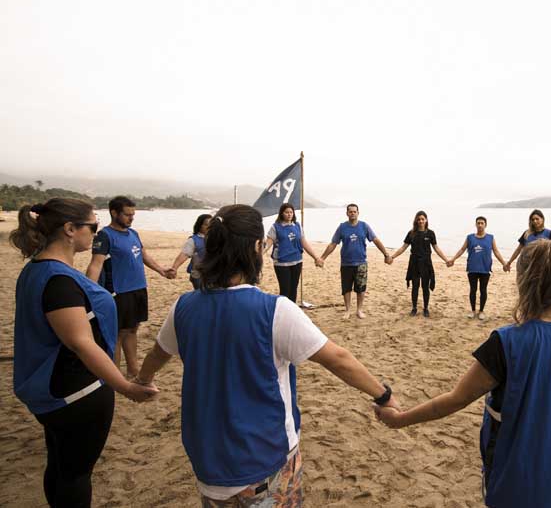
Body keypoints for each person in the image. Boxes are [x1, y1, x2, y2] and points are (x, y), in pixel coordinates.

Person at [135, 204, 399, 507]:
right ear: (258, 247)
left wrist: (142, 381)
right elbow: (337, 358)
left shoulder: (183, 307)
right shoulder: (274, 310)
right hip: (264, 460)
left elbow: (157, 354)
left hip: (207, 463)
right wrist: (383, 395)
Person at [375, 241, 551, 507]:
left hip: (518, 481)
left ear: (522, 279)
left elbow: (455, 399)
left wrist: (400, 419)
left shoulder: (506, 342)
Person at [11, 199, 157, 508]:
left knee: (62, 466)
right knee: (75, 475)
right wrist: (126, 387)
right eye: (93, 226)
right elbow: (81, 343)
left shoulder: (36, 269)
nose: (96, 232)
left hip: (52, 391)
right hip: (75, 393)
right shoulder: (59, 282)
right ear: (69, 229)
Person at [86, 196, 175, 378]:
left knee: (133, 329)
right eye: (127, 215)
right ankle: (114, 374)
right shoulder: (105, 236)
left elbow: (143, 256)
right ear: (114, 213)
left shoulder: (133, 233)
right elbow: (95, 265)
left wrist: (161, 270)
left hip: (138, 289)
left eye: (133, 214)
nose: (131, 218)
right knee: (118, 333)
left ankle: (133, 370)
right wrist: (88, 292)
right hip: (118, 291)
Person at [320, 203, 391, 320]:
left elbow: (375, 240)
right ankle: (347, 310)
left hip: (361, 263)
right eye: (350, 211)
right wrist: (322, 258)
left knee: (361, 288)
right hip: (346, 263)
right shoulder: (342, 227)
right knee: (346, 288)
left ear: (358, 213)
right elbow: (333, 244)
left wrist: (386, 254)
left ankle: (359, 310)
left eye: (354, 211)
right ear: (347, 213)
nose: (352, 213)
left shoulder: (364, 226)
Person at [388, 211, 450, 317]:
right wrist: (392, 257)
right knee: (415, 286)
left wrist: (446, 260)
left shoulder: (430, 233)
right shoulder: (412, 233)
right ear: (416, 220)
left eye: (423, 219)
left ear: (426, 220)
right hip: (414, 263)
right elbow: (403, 247)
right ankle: (414, 308)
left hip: (426, 263)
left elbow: (436, 248)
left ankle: (426, 308)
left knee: (425, 287)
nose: (421, 221)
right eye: (419, 219)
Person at [448, 216, 509, 320]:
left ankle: (481, 311)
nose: (480, 225)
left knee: (483, 290)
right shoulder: (470, 237)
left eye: (482, 223)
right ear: (476, 225)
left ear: (485, 225)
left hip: (485, 268)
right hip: (472, 268)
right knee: (473, 290)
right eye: (478, 223)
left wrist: (504, 263)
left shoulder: (490, 238)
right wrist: (453, 259)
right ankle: (472, 310)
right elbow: (462, 249)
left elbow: (496, 251)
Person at [263, 203, 324, 303]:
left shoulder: (297, 226)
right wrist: (259, 254)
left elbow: (304, 243)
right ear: (282, 213)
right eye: (286, 212)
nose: (289, 214)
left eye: (291, 212)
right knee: (285, 290)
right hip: (282, 263)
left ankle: (292, 310)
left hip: (297, 261)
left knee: (293, 289)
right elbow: (268, 244)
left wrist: (316, 257)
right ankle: (283, 311)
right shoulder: (276, 227)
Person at [169, 213, 212, 290]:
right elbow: (184, 254)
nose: (209, 227)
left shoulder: (216, 239)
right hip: (199, 276)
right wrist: (174, 268)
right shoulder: (193, 240)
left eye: (212, 225)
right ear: (200, 226)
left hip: (213, 275)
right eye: (206, 225)